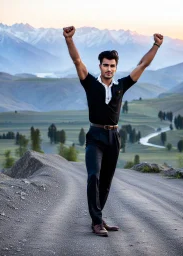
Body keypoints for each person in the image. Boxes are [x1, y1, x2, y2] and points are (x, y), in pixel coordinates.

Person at [63, 26, 163, 237]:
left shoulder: (121, 85)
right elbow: (77, 61)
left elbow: (143, 64)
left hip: (113, 137)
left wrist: (156, 45)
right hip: (95, 137)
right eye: (105, 65)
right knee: (93, 176)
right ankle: (97, 222)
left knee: (106, 181)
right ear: (100, 66)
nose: (109, 69)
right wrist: (69, 40)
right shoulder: (89, 83)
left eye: (112, 66)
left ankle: (98, 218)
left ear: (116, 68)